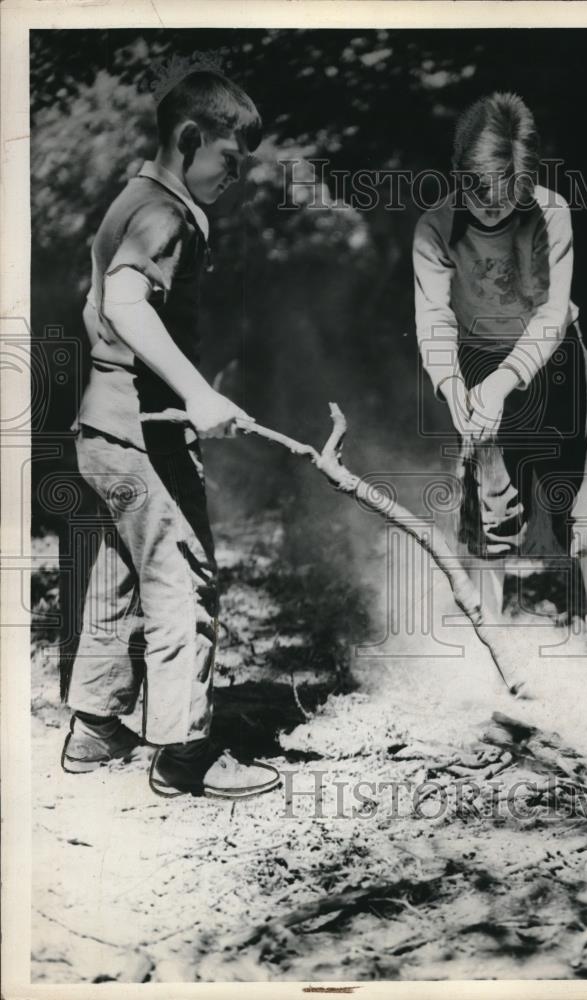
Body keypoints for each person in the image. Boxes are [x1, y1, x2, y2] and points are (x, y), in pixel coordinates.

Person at [60, 69, 281, 798]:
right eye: (229, 159)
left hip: (100, 429)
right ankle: (185, 754)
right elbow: (125, 301)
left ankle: (95, 725)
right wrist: (196, 392)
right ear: (190, 138)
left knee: (118, 572)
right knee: (183, 579)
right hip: (144, 433)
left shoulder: (130, 199)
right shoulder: (165, 214)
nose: (236, 177)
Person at [413, 91, 587, 647]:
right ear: (458, 172)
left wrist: (505, 381)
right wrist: (453, 383)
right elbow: (433, 318)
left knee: (584, 494)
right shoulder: (434, 228)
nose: (491, 210)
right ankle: (495, 641)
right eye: (478, 195)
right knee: (488, 505)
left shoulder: (552, 213)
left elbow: (552, 312)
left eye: (506, 198)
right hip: (476, 366)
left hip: (554, 363)